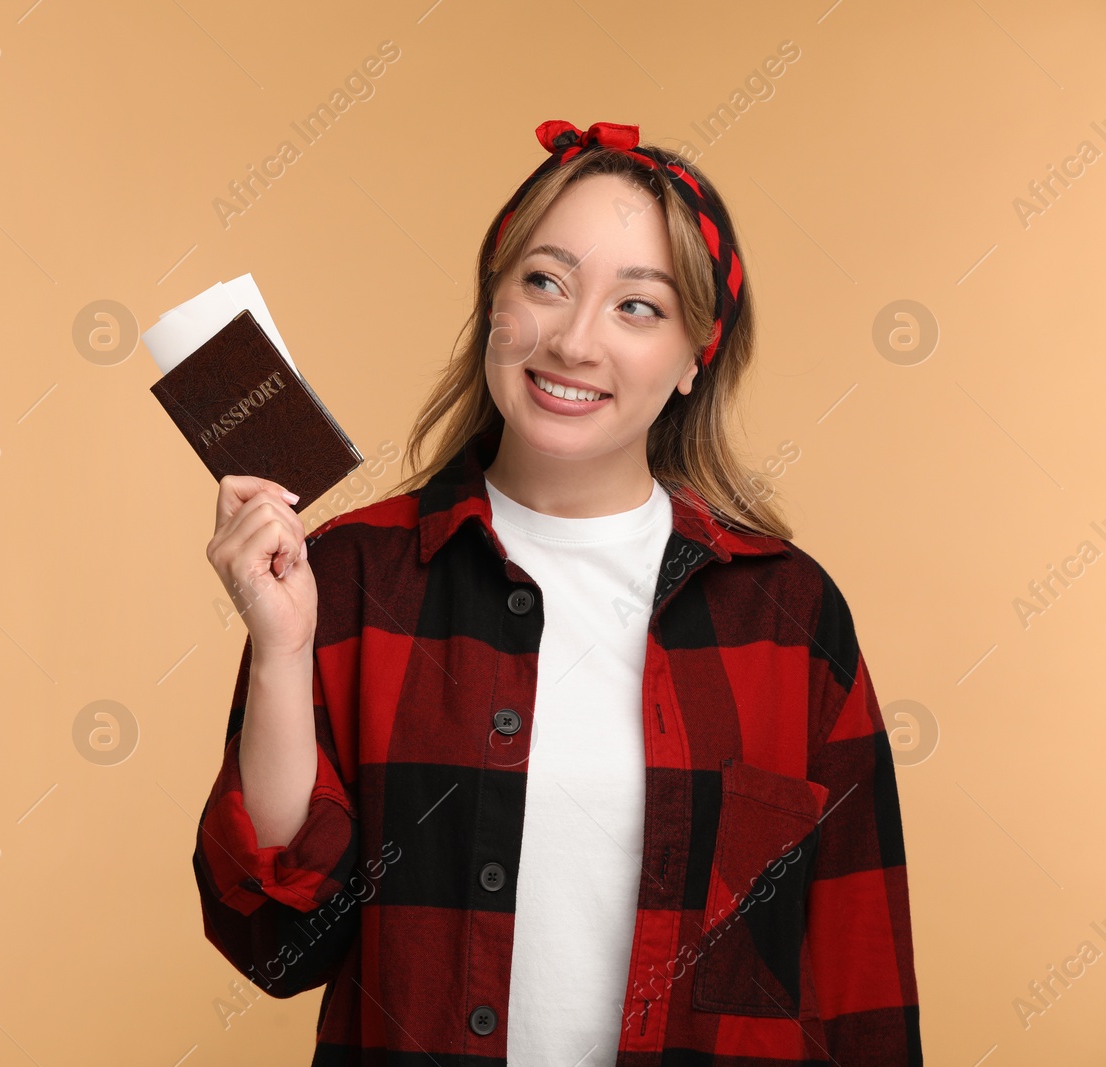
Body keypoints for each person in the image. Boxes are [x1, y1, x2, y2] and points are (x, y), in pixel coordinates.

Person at [193, 120, 922, 1066]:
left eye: (639, 307)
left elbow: (863, 985)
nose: (576, 341)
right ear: (493, 304)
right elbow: (279, 945)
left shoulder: (787, 614)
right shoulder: (348, 576)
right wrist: (286, 651)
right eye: (546, 281)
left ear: (697, 354)